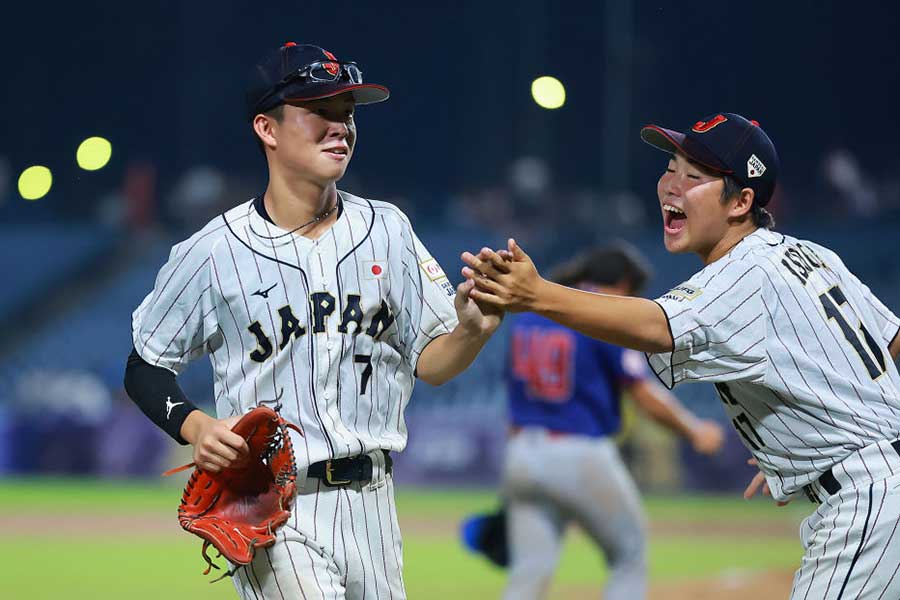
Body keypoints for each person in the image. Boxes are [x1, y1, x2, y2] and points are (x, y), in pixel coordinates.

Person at [461, 113, 900, 599]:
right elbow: (891, 344)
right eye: (670, 168)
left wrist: (539, 293)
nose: (670, 185)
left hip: (870, 502)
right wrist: (815, 438)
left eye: (693, 176)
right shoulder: (810, 255)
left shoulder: (743, 274)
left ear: (743, 202)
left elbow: (656, 327)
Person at [124, 42, 502, 600]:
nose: (341, 127)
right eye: (320, 111)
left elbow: (433, 363)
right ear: (267, 128)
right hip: (274, 507)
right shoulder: (213, 251)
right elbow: (145, 365)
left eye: (347, 113)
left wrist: (473, 329)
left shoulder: (389, 230)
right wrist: (195, 426)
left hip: (374, 508)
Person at [498, 243, 724, 600]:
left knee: (529, 572)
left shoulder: (529, 314)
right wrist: (693, 430)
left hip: (521, 452)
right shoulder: (600, 315)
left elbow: (512, 397)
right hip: (578, 451)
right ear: (621, 285)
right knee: (628, 555)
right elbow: (642, 392)